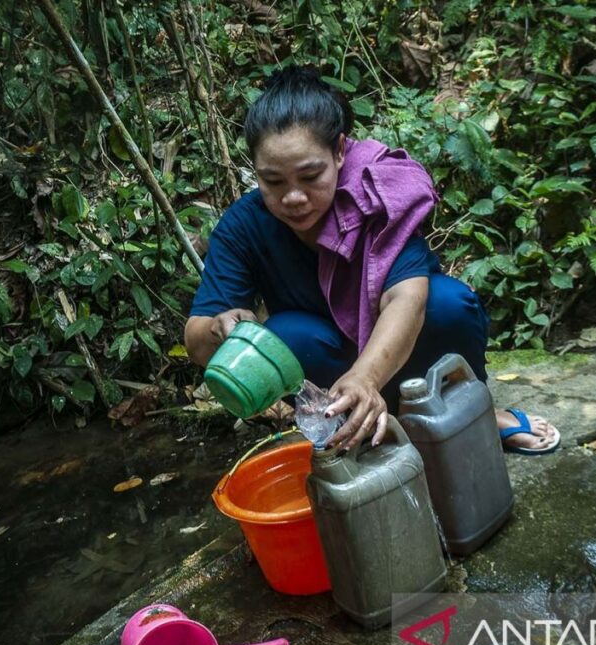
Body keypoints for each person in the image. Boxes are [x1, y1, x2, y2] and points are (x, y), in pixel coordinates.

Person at [184, 66, 561, 455]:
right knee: (285, 334)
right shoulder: (243, 226)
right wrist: (219, 329)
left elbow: (407, 299)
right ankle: (357, 426)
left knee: (448, 304)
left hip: (400, 345)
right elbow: (196, 340)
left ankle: (474, 414)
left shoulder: (377, 195)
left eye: (311, 176)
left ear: (340, 152)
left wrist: (365, 376)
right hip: (327, 367)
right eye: (273, 182)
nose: (293, 197)